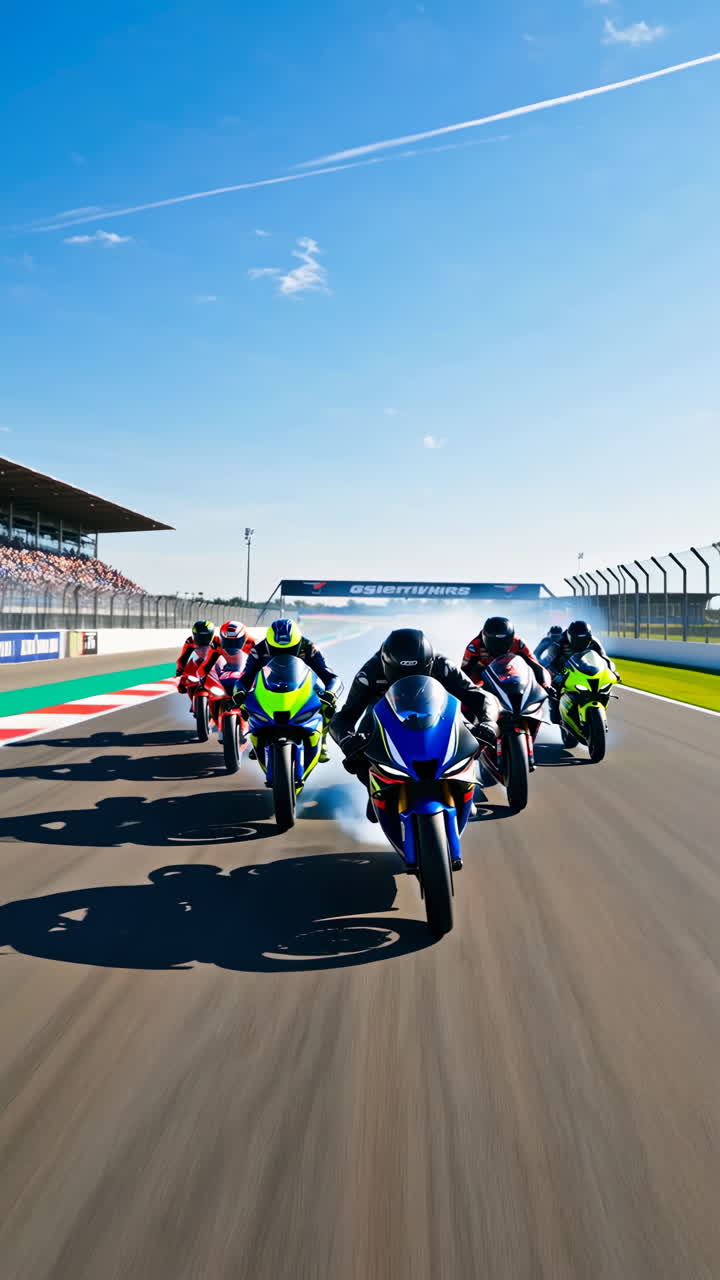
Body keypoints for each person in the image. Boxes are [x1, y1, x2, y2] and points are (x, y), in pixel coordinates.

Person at [330, 628, 498, 822]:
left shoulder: (442, 666)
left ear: (428, 664)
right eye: (400, 673)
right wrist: (347, 741)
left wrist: (489, 723)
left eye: (414, 672)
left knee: (471, 732)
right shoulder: (369, 673)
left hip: (435, 715)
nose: (406, 677)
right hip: (383, 718)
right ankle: (374, 787)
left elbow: (480, 697)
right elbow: (343, 718)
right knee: (357, 751)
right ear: (386, 664)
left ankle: (462, 781)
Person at [232, 618, 342, 763]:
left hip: (303, 682)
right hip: (269, 683)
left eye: (289, 650)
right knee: (247, 703)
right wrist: (239, 692)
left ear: (297, 643)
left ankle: (322, 741)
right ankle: (258, 737)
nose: (283, 653)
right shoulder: (258, 649)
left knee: (328, 704)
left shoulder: (309, 647)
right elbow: (245, 678)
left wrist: (331, 693)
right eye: (277, 650)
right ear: (269, 643)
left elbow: (330, 676)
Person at [544, 620, 620, 723]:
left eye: (584, 639)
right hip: (562, 670)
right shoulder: (558, 643)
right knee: (554, 692)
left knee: (601, 687)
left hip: (584, 668)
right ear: (570, 636)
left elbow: (604, 658)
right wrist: (555, 675)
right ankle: (556, 712)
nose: (581, 643)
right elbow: (549, 663)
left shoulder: (593, 641)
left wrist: (612, 671)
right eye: (577, 640)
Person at [197, 621, 255, 742]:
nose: (231, 644)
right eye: (228, 641)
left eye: (235, 641)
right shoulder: (216, 643)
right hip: (225, 674)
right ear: (222, 638)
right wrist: (202, 677)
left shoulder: (252, 643)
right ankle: (215, 718)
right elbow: (207, 662)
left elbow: (262, 662)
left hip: (244, 675)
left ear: (244, 638)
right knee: (211, 692)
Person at [461, 616, 549, 687]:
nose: (499, 646)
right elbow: (465, 672)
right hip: (483, 681)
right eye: (495, 642)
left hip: (511, 677)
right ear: (485, 638)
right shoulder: (474, 646)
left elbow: (536, 666)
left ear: (511, 638)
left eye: (504, 642)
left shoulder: (518, 643)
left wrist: (545, 685)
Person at [175, 621, 221, 710]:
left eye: (205, 636)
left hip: (215, 664)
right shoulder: (190, 641)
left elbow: (228, 655)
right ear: (194, 635)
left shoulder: (218, 641)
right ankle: (194, 702)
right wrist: (180, 669)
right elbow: (183, 657)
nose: (202, 639)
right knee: (184, 683)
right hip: (199, 664)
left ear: (211, 634)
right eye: (199, 636)